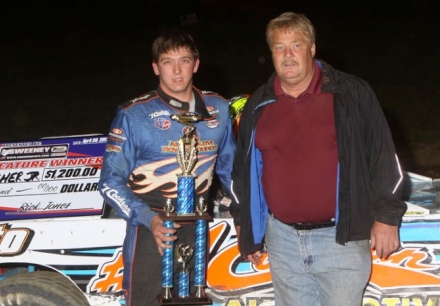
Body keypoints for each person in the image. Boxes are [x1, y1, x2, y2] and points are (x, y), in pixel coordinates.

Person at [231, 12, 407, 306]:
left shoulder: (351, 93)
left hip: (341, 239)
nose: (288, 55)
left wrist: (387, 217)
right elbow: (241, 172)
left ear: (312, 48)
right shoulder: (258, 104)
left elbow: (383, 156)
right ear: (271, 53)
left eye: (296, 45)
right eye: (279, 47)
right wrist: (245, 227)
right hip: (282, 241)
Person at [98, 28, 238, 306]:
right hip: (151, 226)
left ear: (196, 65)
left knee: (191, 301)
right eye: (167, 62)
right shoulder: (133, 114)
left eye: (184, 60)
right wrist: (148, 218)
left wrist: (245, 216)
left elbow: (231, 173)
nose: (177, 70)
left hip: (197, 223)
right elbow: (109, 182)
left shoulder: (219, 109)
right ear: (155, 67)